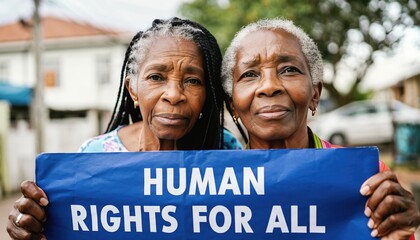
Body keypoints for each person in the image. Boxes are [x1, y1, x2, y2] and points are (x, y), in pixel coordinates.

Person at [7, 17, 242, 240]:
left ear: (207, 93)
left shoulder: (225, 149)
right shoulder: (95, 157)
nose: (173, 95)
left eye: (193, 81)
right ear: (133, 89)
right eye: (156, 77)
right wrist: (38, 225)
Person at [221, 18, 420, 239]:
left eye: (288, 69)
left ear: (315, 94)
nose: (269, 87)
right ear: (233, 105)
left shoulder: (366, 178)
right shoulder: (213, 187)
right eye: (249, 74)